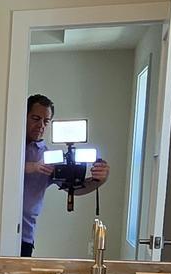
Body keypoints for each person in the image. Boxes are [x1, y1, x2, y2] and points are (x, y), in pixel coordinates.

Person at [19, 94, 110, 257]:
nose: (40, 125)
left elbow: (74, 189)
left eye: (46, 121)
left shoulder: (48, 156)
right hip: (0, 228)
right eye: (35, 118)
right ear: (22, 116)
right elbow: (2, 169)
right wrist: (32, 166)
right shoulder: (7, 144)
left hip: (25, 236)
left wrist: (99, 180)